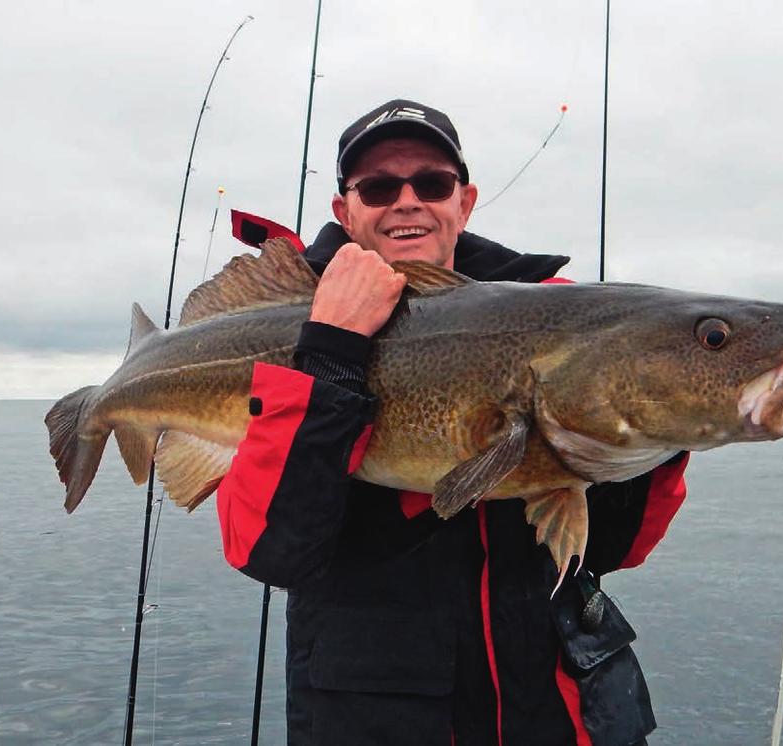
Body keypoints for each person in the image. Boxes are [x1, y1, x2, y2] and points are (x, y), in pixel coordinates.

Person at [217, 99, 690, 746]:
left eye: (432, 184)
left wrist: (655, 425)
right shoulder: (298, 327)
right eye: (379, 187)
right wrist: (329, 351)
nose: (407, 201)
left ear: (464, 202)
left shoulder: (558, 314)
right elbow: (272, 548)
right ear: (344, 211)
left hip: (559, 716)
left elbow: (609, 550)